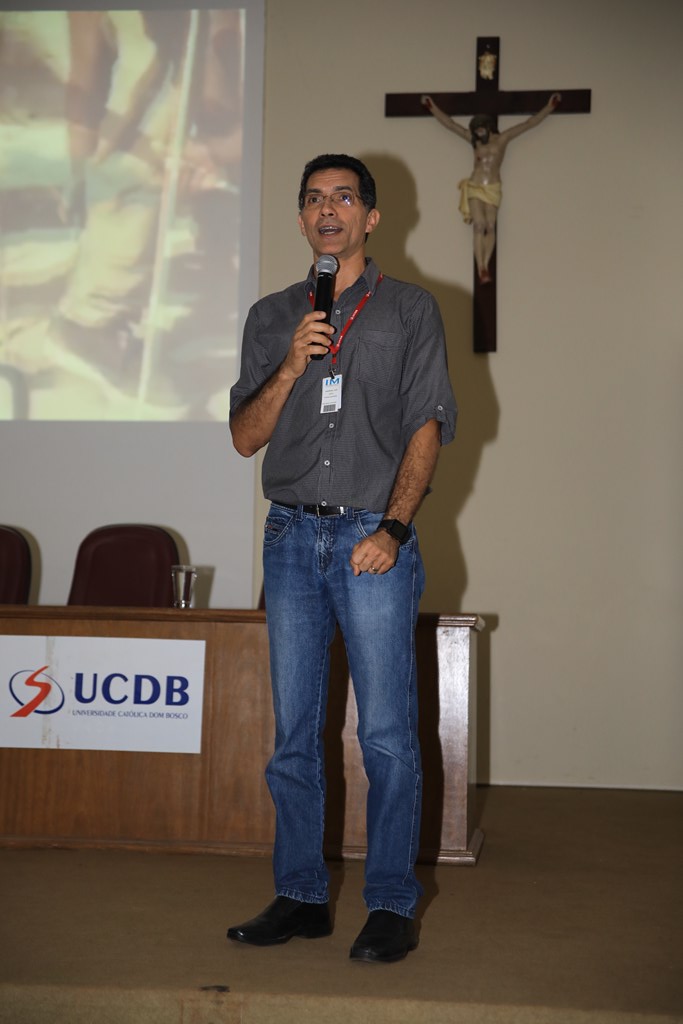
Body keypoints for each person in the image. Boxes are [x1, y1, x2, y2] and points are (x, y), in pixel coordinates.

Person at [227, 153, 457, 963]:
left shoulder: (409, 310)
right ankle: (300, 895)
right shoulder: (271, 317)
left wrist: (391, 530)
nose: (328, 210)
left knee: (386, 733)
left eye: (344, 198)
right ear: (301, 219)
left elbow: (426, 428)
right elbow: (244, 437)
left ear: (370, 218)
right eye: (314, 199)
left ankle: (390, 902)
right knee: (294, 733)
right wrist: (293, 361)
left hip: (370, 537)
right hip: (290, 538)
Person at [422, 92, 561, 283]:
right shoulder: (474, 142)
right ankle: (481, 267)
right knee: (479, 225)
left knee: (490, 225)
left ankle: (485, 263)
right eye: (476, 131)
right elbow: (451, 125)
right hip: (475, 185)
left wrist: (549, 107)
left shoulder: (502, 139)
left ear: (488, 127)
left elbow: (529, 123)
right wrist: (433, 108)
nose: (478, 134)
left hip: (492, 187)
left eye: (481, 130)